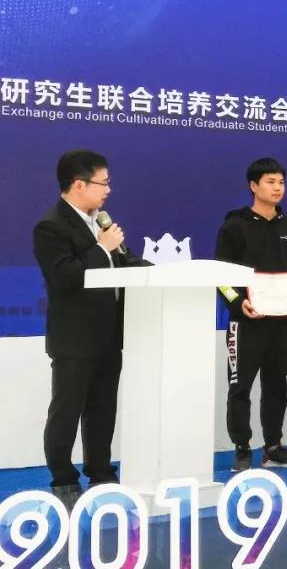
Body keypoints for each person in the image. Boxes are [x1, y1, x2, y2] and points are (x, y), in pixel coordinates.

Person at [33, 150, 149, 508]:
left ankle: (101, 472)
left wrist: (157, 269)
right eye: (104, 183)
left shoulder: (101, 221)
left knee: (102, 408)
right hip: (74, 338)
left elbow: (124, 260)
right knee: (66, 410)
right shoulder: (50, 226)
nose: (108, 190)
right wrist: (101, 248)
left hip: (108, 333)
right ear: (79, 184)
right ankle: (64, 479)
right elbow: (65, 276)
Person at [216, 157, 287, 471]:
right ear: (253, 186)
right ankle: (242, 448)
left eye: (281, 182)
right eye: (270, 182)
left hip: (283, 321)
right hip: (246, 321)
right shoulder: (234, 225)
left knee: (277, 384)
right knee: (240, 386)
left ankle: (273, 446)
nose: (277, 188)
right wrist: (237, 302)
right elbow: (222, 276)